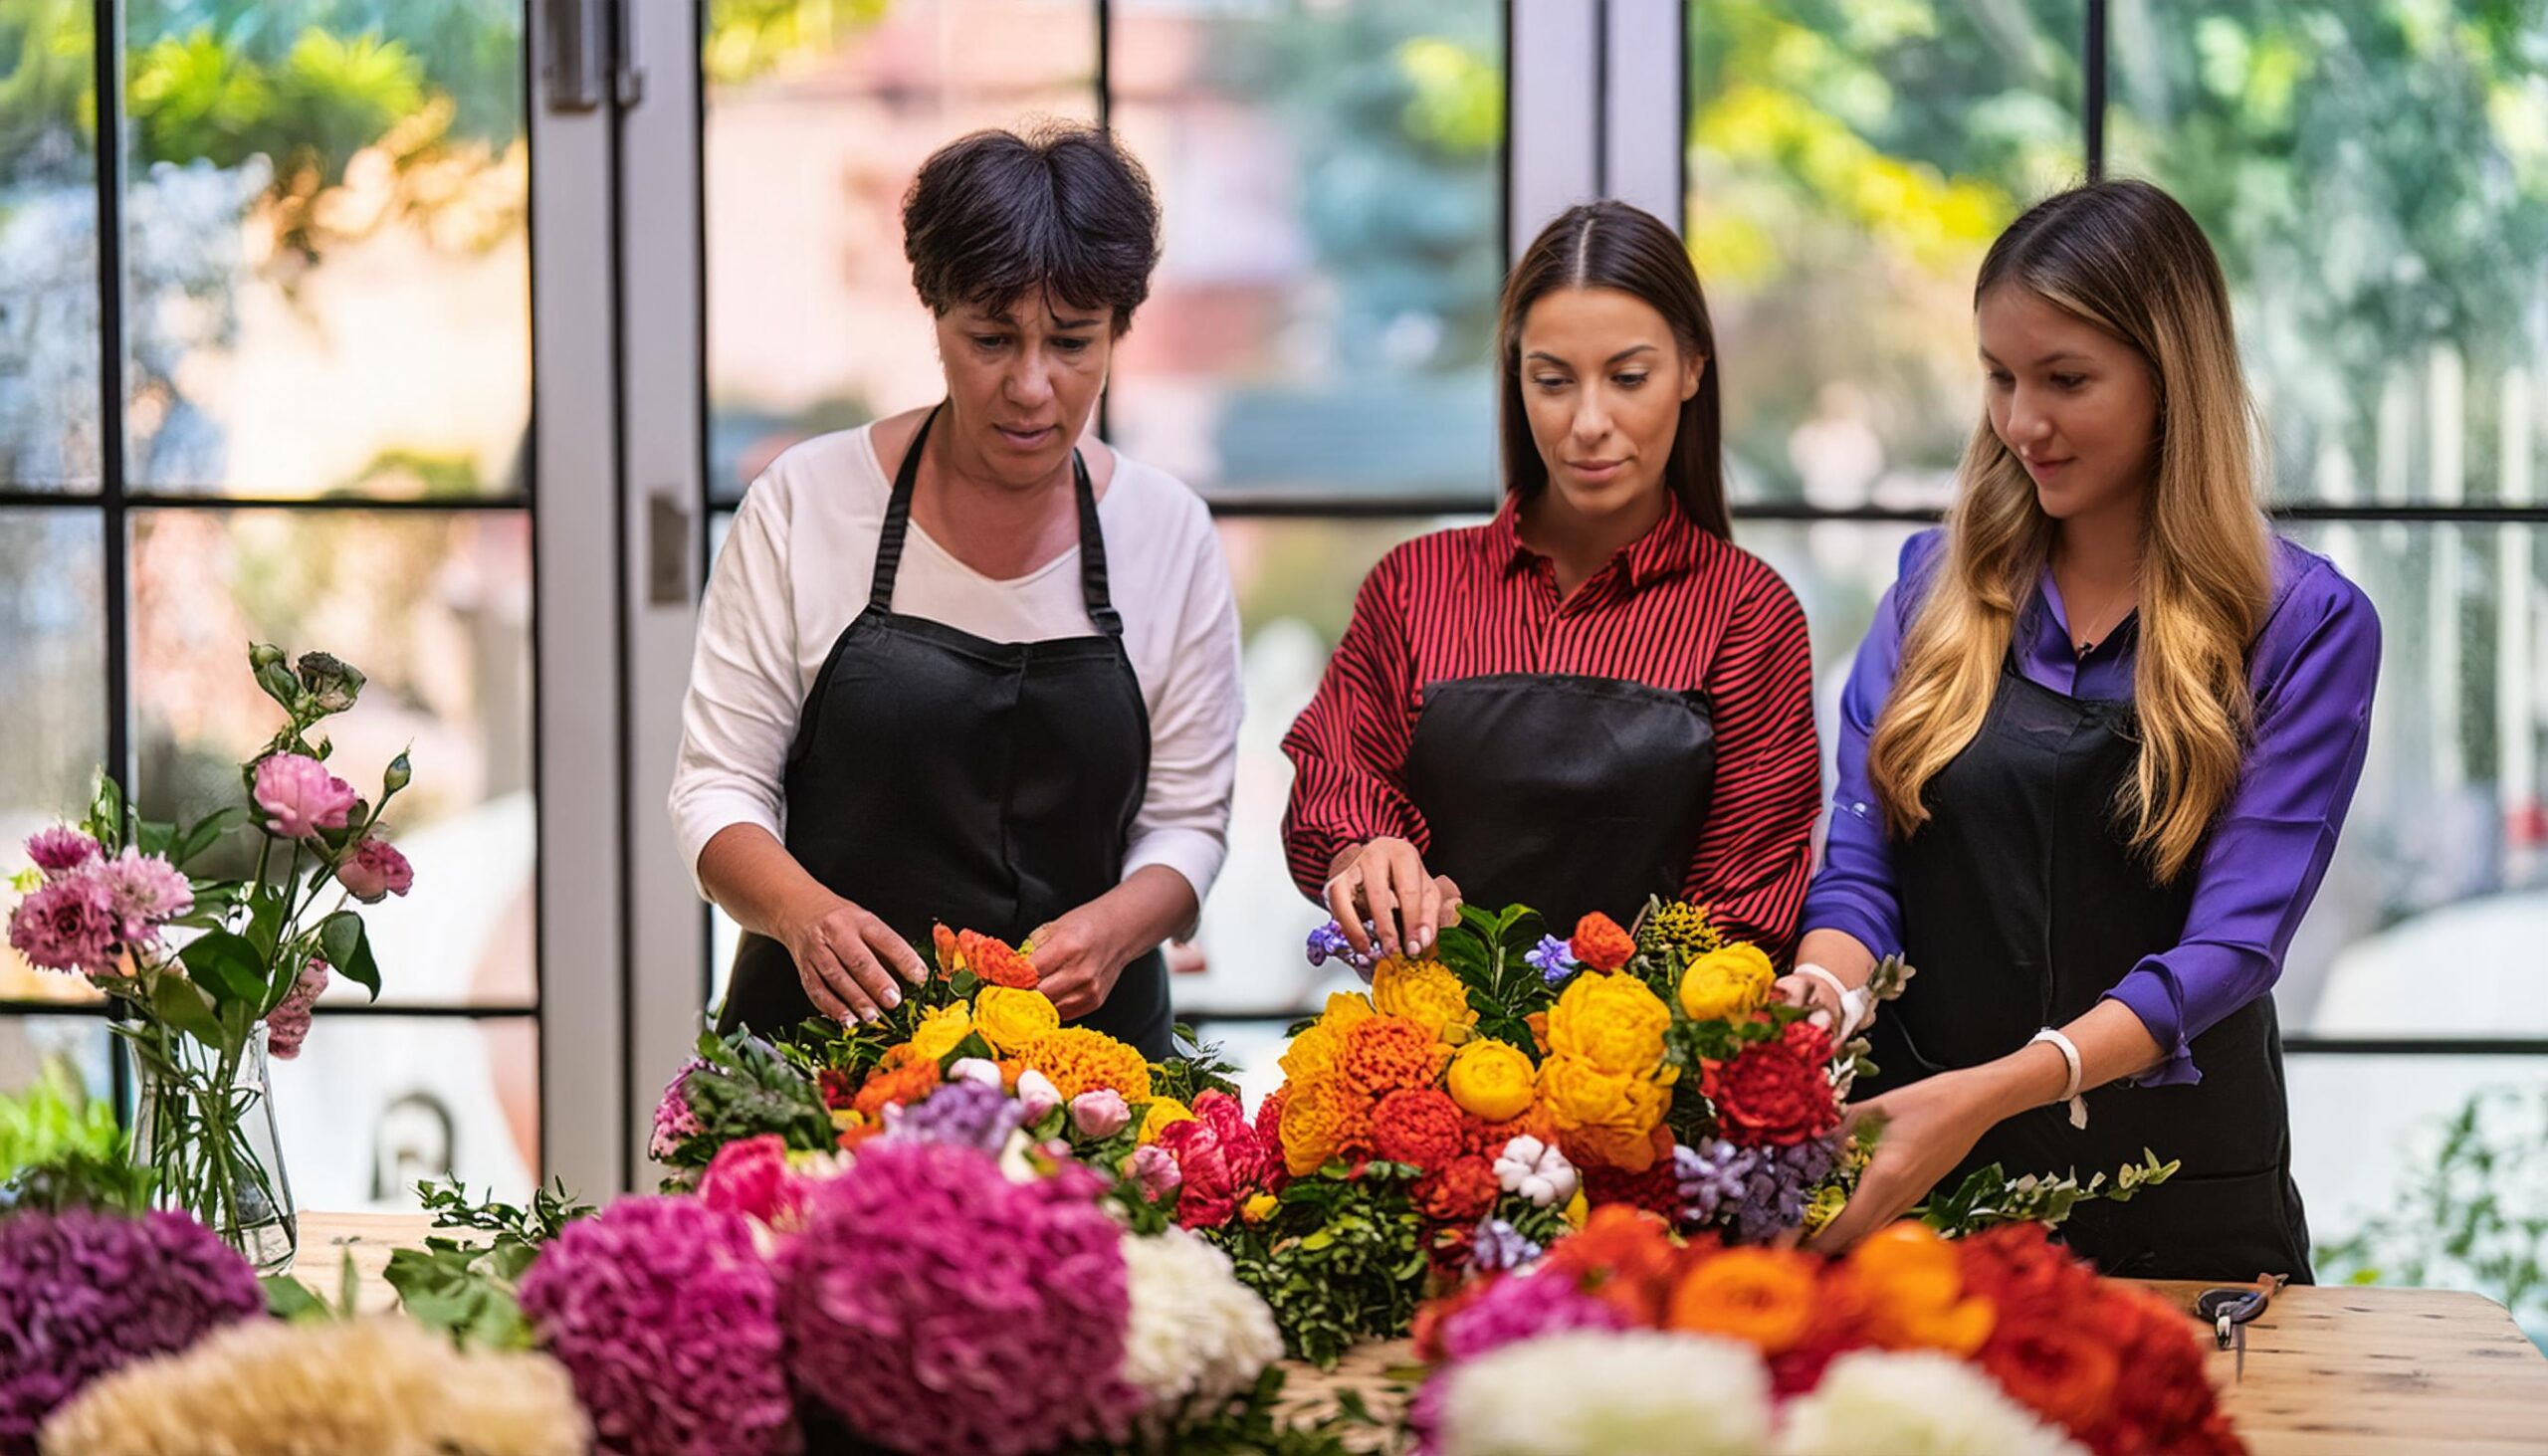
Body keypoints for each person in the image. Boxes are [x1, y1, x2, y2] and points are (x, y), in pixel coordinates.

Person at [1782, 180, 2380, 1280]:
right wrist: (1813, 997)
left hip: (2179, 1193)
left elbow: (2228, 950)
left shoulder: (2304, 623)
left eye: (2065, 379)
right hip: (1916, 1164)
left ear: (2170, 379)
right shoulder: (1931, 588)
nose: (2020, 423)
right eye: (1999, 377)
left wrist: (1998, 1087)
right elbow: (1860, 874)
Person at [669, 123, 1242, 1059]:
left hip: (1093, 1080)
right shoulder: (805, 504)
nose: (1030, 385)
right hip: (821, 1057)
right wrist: (802, 913)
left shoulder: (1166, 531)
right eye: (990, 337)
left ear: (1117, 331)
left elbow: (1187, 823)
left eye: (1071, 343)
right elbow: (716, 790)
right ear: (934, 315)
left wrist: (1119, 928)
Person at [1281, 200, 1820, 962]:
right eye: (1554, 380)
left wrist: (1609, 1041)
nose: (1589, 421)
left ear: (1694, 367)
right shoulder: (1414, 585)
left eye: (1629, 377)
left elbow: (1746, 903)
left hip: (1654, 1064)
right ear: (1516, 378)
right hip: (1426, 1057)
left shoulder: (1747, 612)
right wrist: (1365, 854)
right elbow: (1335, 782)